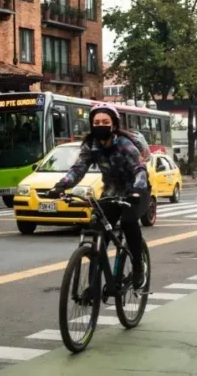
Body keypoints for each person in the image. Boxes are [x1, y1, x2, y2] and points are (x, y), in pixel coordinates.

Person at [49, 104, 150, 288]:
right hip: (111, 192)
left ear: (114, 125)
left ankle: (137, 267)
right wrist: (61, 185)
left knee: (128, 222)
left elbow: (140, 169)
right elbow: (78, 169)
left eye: (105, 122)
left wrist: (137, 190)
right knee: (97, 231)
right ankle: (94, 284)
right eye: (96, 122)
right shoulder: (91, 146)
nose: (100, 125)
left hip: (136, 190)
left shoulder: (124, 144)